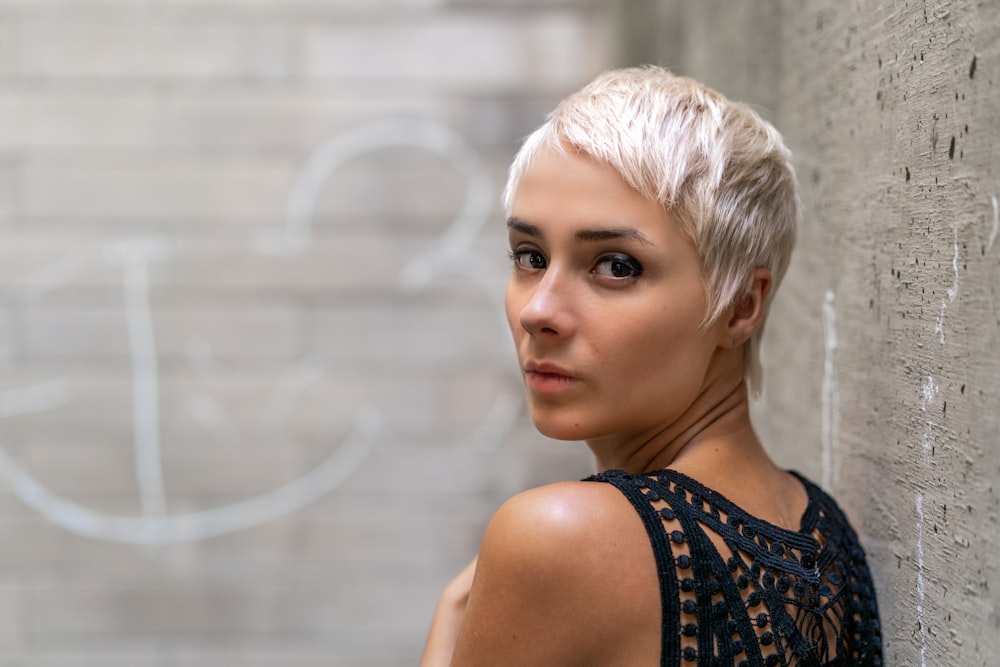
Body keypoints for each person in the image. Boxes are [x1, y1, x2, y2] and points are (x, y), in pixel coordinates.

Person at [421, 66, 882, 666]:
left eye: (616, 266)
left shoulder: (558, 536)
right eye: (529, 255)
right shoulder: (823, 533)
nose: (538, 311)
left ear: (743, 305)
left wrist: (451, 615)